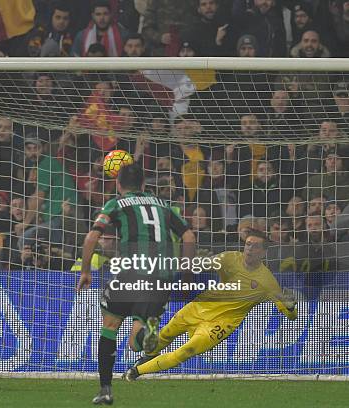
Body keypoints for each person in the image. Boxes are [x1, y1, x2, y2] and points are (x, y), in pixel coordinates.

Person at [76, 164, 195, 405]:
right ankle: (146, 334)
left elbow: (92, 237)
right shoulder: (165, 206)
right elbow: (189, 237)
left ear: (118, 185)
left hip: (129, 273)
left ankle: (106, 389)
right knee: (134, 340)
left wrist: (86, 270)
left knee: (109, 325)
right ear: (144, 185)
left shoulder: (116, 204)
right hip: (160, 277)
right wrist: (187, 276)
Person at [123, 229, 298, 380]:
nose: (249, 249)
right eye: (248, 244)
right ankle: (149, 357)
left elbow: (291, 317)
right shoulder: (230, 258)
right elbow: (204, 265)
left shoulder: (267, 281)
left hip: (221, 323)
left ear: (263, 253)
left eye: (255, 246)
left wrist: (290, 308)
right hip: (199, 306)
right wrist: (199, 261)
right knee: (166, 334)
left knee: (186, 351)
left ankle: (136, 371)